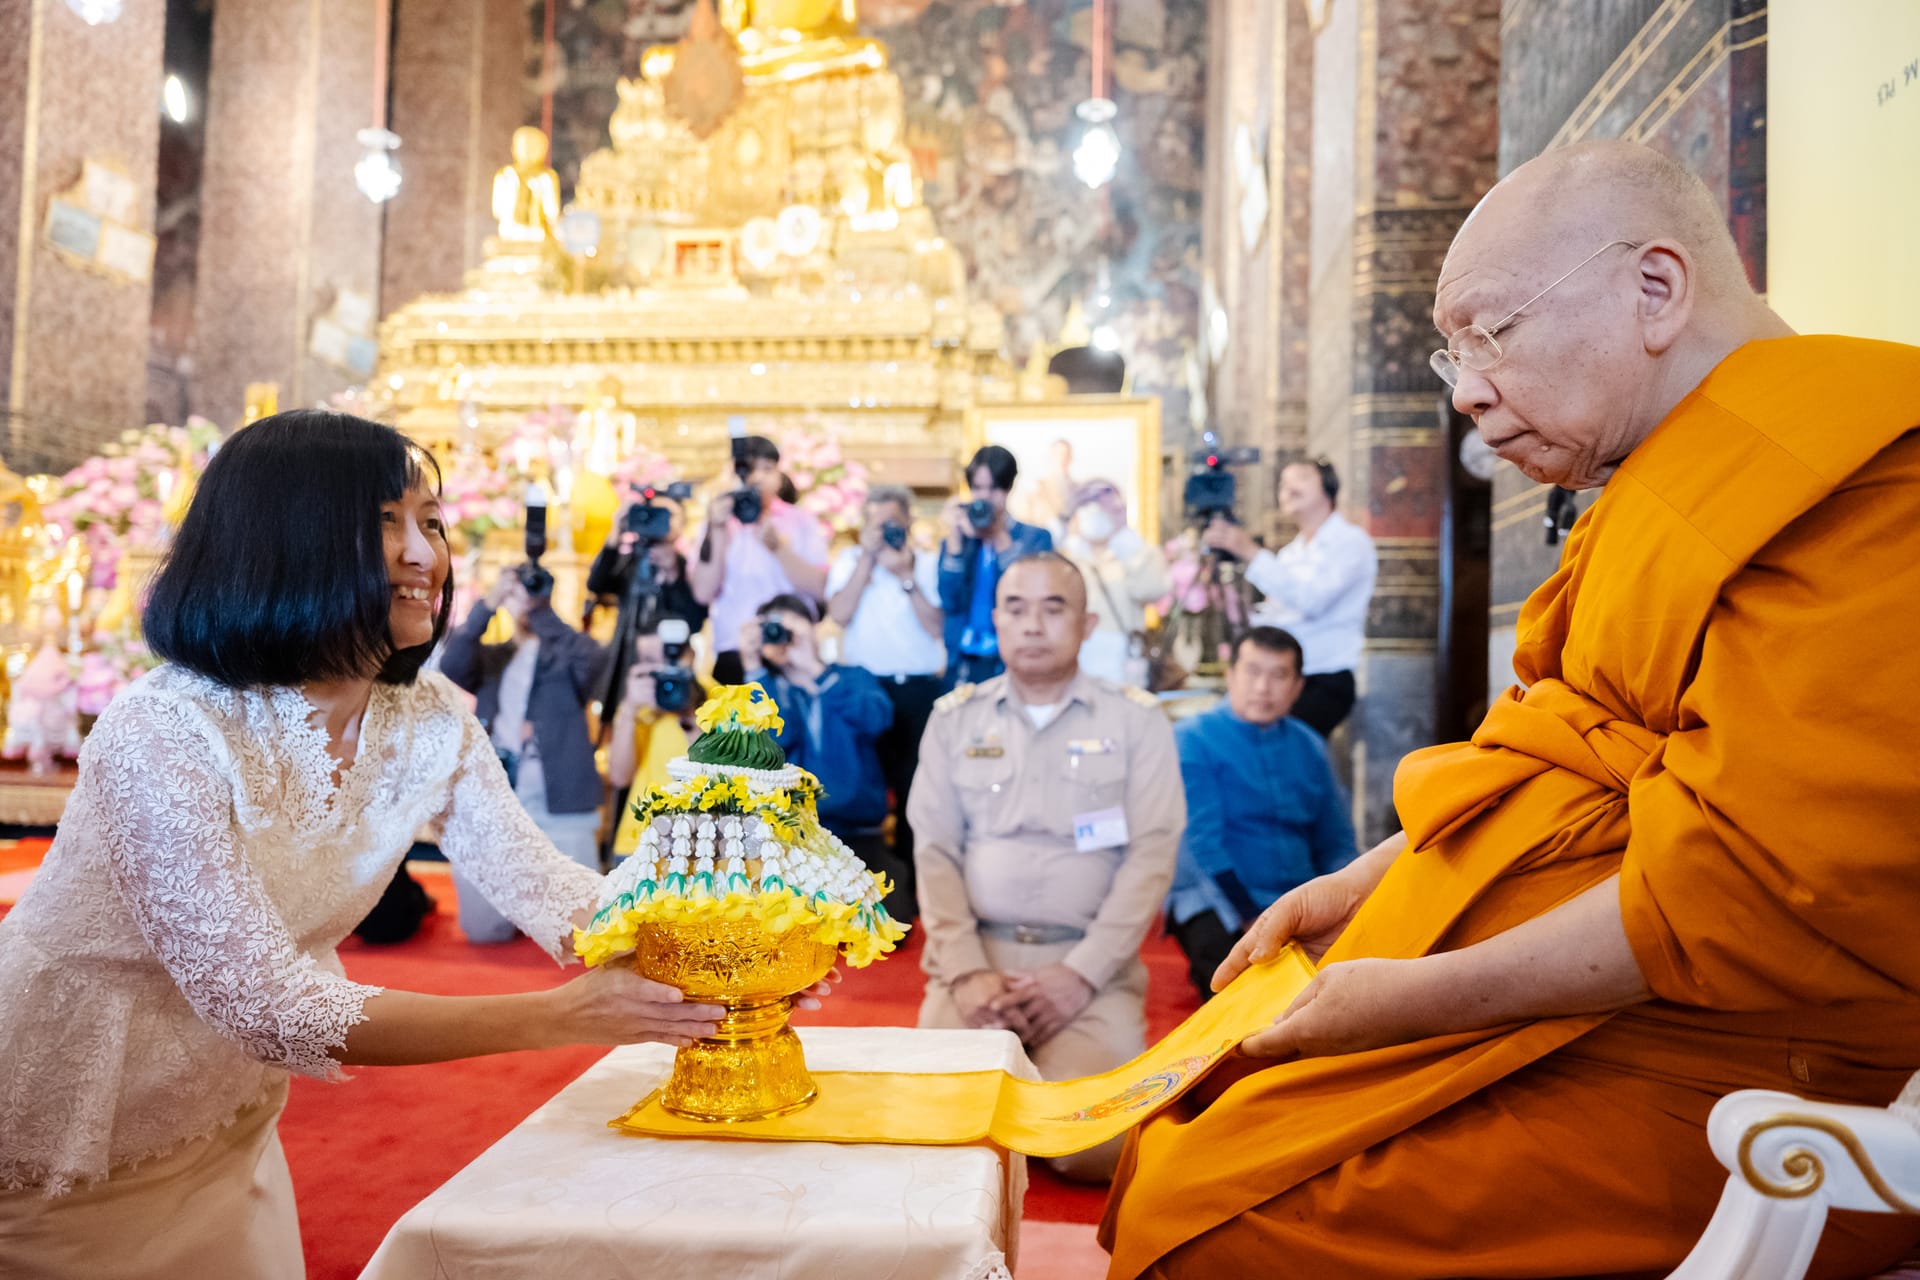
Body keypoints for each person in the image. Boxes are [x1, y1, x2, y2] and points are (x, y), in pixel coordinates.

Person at [1101, 141, 1920, 1278]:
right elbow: (1540, 750)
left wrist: (1403, 999)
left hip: (1746, 1054)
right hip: (1601, 1003)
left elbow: (1746, 890)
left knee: (1228, 1215)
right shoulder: (1651, 488)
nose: (1470, 388)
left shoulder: (1867, 476)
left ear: (1656, 288)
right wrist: (1356, 884)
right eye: (1454, 353)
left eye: (1494, 332)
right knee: (1196, 1133)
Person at [0, 411, 734, 1276]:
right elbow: (264, 1004)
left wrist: (736, 951)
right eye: (385, 523)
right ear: (281, 541)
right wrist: (559, 1017)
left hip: (228, 1117)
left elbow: (552, 891)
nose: (425, 555)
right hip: (60, 1126)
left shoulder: (426, 722)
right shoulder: (162, 730)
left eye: (432, 523)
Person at [911, 552, 1184, 1184]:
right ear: (997, 623)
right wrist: (968, 972)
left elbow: (1151, 855)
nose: (1033, 624)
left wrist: (1081, 975)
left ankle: (1036, 1107)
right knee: (933, 1132)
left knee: (1099, 1149)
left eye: (1053, 607)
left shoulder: (1135, 721)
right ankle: (1017, 1108)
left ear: (1088, 625)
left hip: (1089, 973)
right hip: (975, 970)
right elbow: (936, 852)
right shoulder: (954, 720)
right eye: (1016, 608)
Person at [1164, 627, 1356, 998]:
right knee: (1243, 995)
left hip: (1298, 898)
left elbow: (1336, 842)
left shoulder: (1310, 745)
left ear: (1298, 686)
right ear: (1230, 675)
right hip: (1219, 899)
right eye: (1253, 672)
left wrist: (1344, 899)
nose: (1263, 688)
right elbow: (1202, 845)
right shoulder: (1193, 737)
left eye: (1278, 675)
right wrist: (1255, 916)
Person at [438, 569, 613, 942]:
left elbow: (595, 661)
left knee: (587, 932)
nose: (522, 602)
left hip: (561, 803)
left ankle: (544, 909)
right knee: (483, 931)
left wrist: (538, 609)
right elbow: (452, 663)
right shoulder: (493, 658)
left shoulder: (567, 654)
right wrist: (487, 605)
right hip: (499, 803)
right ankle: (523, 908)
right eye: (514, 595)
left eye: (530, 593)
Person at [825, 484, 946, 916]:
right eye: (875, 525)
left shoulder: (930, 565)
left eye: (891, 524)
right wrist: (866, 562)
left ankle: (914, 897)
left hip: (919, 689)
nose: (884, 533)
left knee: (918, 793)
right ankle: (861, 897)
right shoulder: (849, 562)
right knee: (864, 792)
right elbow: (837, 615)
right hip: (865, 688)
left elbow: (938, 627)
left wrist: (905, 576)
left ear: (909, 522)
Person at [1202, 458, 1376, 737]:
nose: (1289, 487)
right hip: (1283, 672)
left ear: (1328, 489)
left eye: (1302, 478)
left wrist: (1250, 551)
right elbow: (1278, 619)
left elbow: (1312, 600)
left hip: (1324, 678)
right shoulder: (1290, 554)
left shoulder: (1351, 542)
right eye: (1283, 483)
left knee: (1291, 752)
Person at [740, 595, 897, 890]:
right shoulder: (767, 688)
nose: (785, 637)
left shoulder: (851, 677)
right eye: (774, 629)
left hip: (860, 835)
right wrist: (753, 667)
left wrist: (814, 670)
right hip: (789, 841)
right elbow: (767, 747)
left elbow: (877, 719)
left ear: (814, 630)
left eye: (793, 628)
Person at [687, 435, 830, 686]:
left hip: (790, 649)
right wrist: (717, 530)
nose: (758, 478)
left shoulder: (801, 521)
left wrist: (779, 549)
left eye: (767, 469)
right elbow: (703, 592)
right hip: (735, 649)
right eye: (750, 469)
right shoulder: (720, 523)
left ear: (779, 475)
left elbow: (819, 589)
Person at [937, 445, 1053, 687]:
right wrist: (955, 544)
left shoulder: (1035, 538)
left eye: (994, 488)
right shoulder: (962, 536)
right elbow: (950, 600)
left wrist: (999, 538)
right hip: (963, 661)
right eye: (977, 488)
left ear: (1008, 487)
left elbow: (1030, 594)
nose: (985, 497)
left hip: (1013, 660)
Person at [1059, 479, 1170, 688]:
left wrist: (1127, 544)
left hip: (1125, 659)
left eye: (1108, 507)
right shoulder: (1068, 558)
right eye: (1091, 506)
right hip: (1077, 657)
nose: (1099, 514)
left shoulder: (1137, 552)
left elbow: (1152, 590)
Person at [607, 626, 706, 857]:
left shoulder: (720, 699)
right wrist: (630, 709)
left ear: (689, 656)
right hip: (639, 841)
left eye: (667, 658)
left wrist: (687, 712)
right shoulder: (637, 707)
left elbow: (718, 772)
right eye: (649, 661)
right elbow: (619, 777)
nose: (663, 670)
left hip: (698, 844)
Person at [583, 490, 707, 636]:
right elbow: (596, 585)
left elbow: (694, 622)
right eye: (654, 512)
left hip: (666, 653)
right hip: (629, 651)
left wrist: (673, 574)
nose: (660, 521)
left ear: (682, 524)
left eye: (668, 514)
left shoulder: (689, 566)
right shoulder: (632, 562)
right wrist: (615, 531)